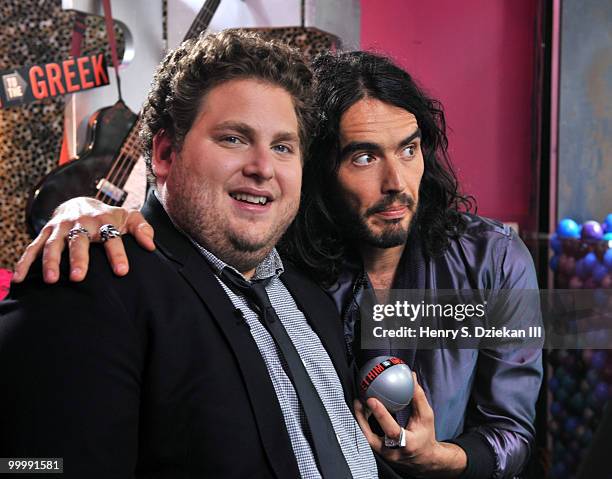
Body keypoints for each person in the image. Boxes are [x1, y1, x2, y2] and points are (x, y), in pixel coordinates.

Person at [13, 50, 543, 478]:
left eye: (409, 149)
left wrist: (438, 459)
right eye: (362, 156)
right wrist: (88, 209)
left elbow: (513, 428)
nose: (396, 183)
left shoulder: (487, 260)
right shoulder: (282, 261)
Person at [0, 31, 402, 479]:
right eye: (233, 139)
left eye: (283, 147)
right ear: (166, 153)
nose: (263, 168)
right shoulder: (86, 284)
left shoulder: (310, 299)